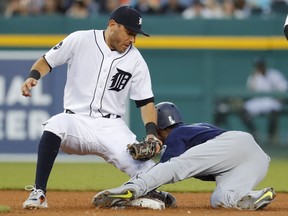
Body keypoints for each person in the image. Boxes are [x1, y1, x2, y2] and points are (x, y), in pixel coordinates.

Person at [21, 5, 165, 209]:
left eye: (136, 35)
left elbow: (145, 102)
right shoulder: (80, 39)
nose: (132, 39)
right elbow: (47, 61)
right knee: (54, 124)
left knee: (151, 173)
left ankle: (146, 194)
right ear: (112, 25)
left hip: (112, 127)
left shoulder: (135, 59)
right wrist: (33, 77)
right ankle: (39, 193)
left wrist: (151, 134)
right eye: (129, 33)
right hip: (76, 120)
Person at [93, 101, 276, 211]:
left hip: (231, 143)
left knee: (174, 167)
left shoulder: (176, 135)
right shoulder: (193, 129)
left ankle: (131, 188)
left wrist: (145, 185)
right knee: (221, 199)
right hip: (257, 158)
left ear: (159, 128)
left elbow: (169, 169)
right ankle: (252, 196)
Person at [241, 57, 288, 144]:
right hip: (258, 102)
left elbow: (284, 88)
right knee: (243, 109)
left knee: (274, 110)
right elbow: (250, 91)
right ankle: (255, 132)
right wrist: (253, 78)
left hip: (272, 101)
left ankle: (270, 137)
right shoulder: (254, 76)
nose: (260, 67)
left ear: (265, 65)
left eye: (261, 65)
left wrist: (279, 98)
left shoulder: (274, 74)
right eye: (258, 66)